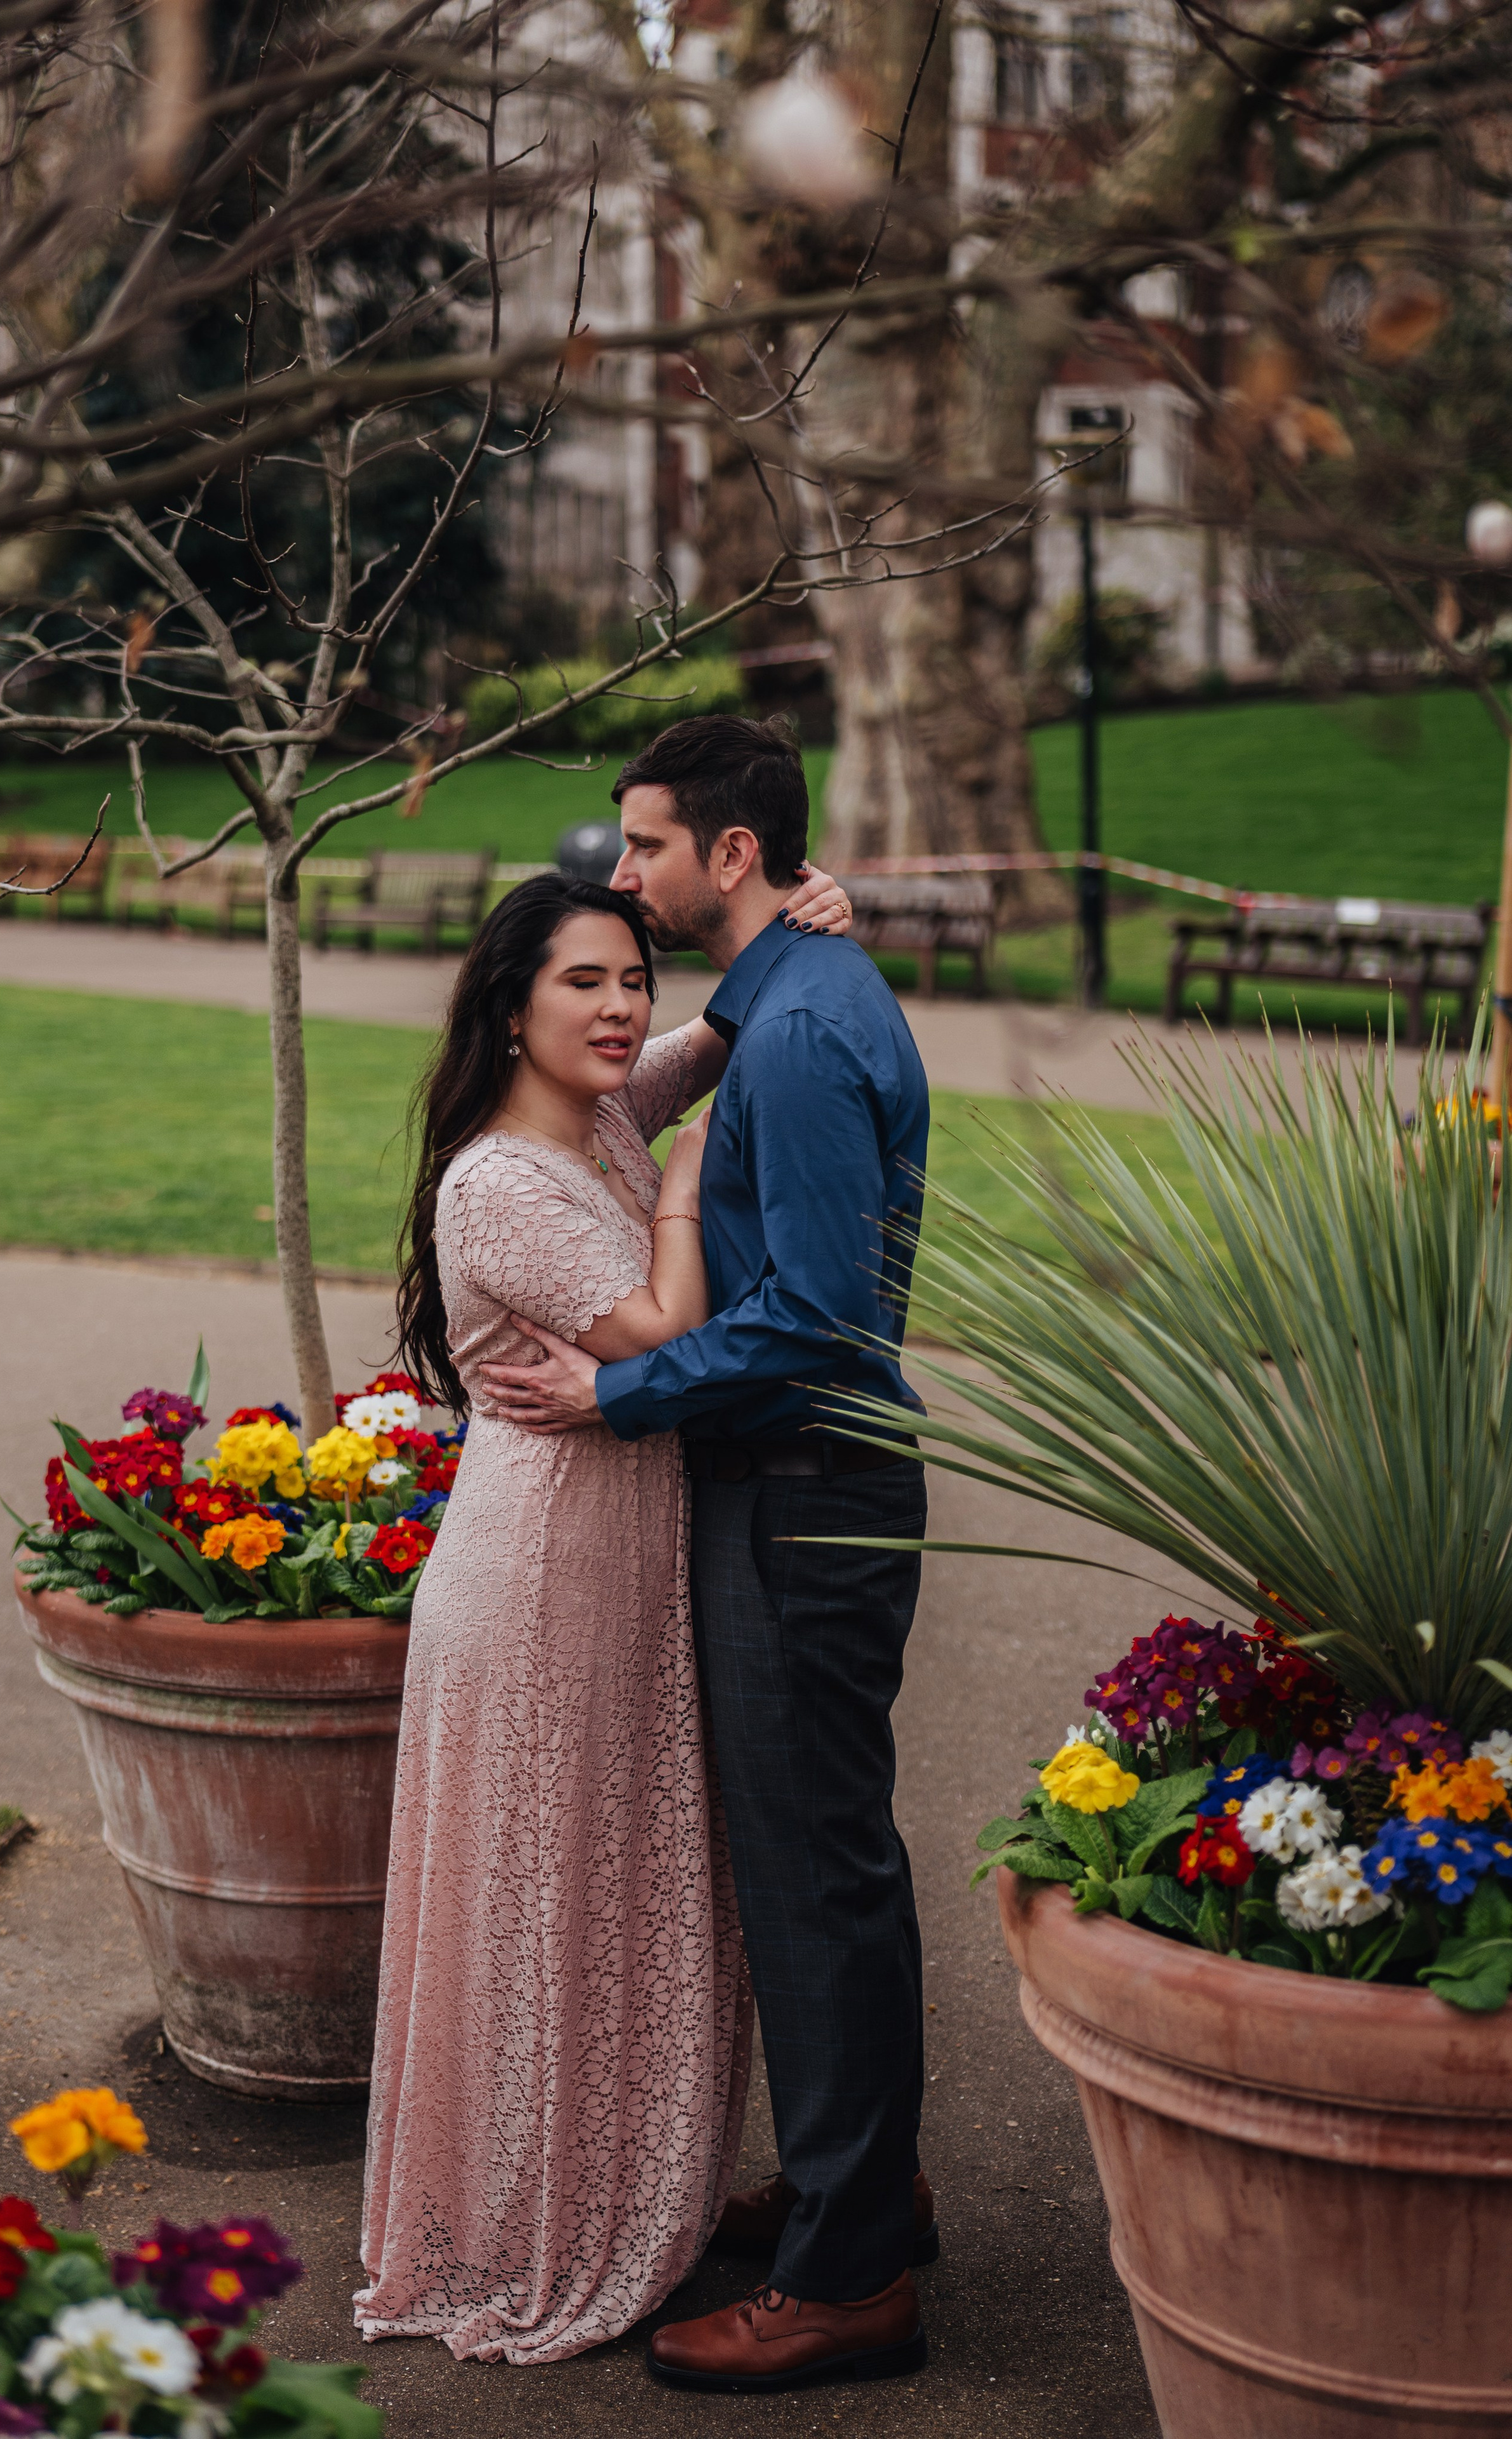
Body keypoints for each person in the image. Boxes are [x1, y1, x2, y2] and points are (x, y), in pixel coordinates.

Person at [481, 714, 935, 2395]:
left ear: (731, 855)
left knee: (814, 1875)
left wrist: (619, 1390)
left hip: (802, 1483)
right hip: (792, 1481)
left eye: (652, 845)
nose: (630, 872)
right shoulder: (787, 999)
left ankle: (847, 2282)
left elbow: (813, 1322)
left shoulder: (805, 1038)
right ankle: (864, 2192)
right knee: (831, 1863)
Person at [356, 855, 852, 2365]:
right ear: (509, 1009)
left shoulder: (592, 1117)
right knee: (544, 1900)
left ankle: (606, 2182)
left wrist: (777, 945)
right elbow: (661, 1332)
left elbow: (689, 1050)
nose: (622, 1008)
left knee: (599, 1889)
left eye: (630, 976)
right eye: (585, 981)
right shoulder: (504, 1177)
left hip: (614, 1566)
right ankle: (530, 2224)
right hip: (538, 1586)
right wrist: (694, 1188)